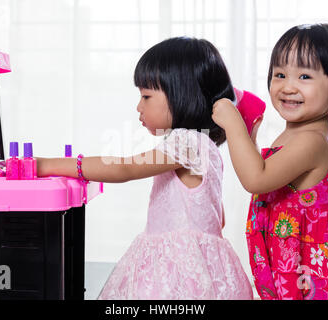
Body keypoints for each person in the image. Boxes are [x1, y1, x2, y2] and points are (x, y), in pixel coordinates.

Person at [37, 37, 253, 300]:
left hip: (178, 275)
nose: (139, 107)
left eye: (146, 96)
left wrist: (47, 165)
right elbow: (217, 218)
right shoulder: (204, 144)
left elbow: (125, 168)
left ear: (181, 93)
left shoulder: (187, 141)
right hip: (203, 267)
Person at [212, 23, 328, 300]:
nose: (287, 86)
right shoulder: (300, 132)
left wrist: (233, 125)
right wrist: (250, 139)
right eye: (280, 74)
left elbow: (256, 179)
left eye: (304, 76)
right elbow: (272, 177)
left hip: (307, 277)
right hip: (290, 265)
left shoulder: (311, 141)